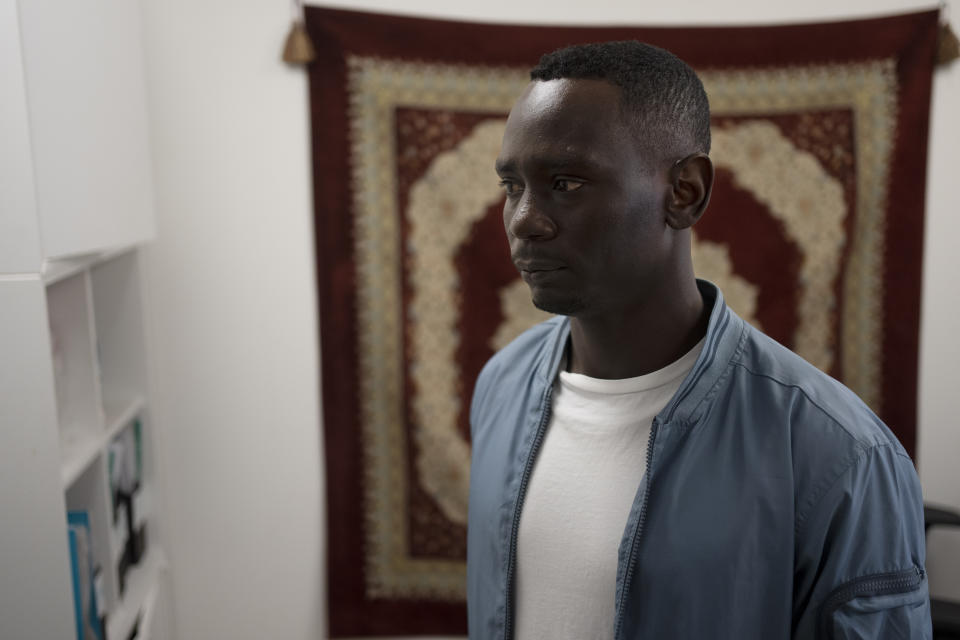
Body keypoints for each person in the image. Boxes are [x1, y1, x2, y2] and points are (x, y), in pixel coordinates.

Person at [467, 41, 930, 639]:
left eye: (566, 182)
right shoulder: (501, 385)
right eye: (512, 186)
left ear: (684, 191)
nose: (524, 219)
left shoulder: (838, 456)